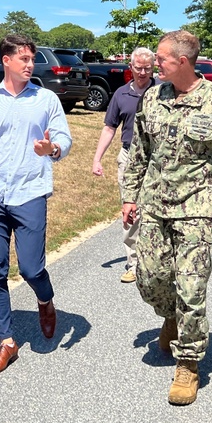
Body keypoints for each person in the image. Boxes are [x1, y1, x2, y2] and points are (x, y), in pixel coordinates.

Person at [122, 30, 212, 405]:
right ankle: (171, 317)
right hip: (155, 206)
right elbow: (140, 151)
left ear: (181, 61)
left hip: (200, 210)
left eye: (161, 59)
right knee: (149, 279)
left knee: (192, 289)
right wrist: (129, 196)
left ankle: (189, 363)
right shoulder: (153, 96)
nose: (155, 65)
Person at [0, 34, 72, 376]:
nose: (29, 64)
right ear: (5, 60)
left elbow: (64, 137)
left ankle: (45, 301)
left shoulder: (46, 99)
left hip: (30, 192)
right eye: (23, 59)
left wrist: (50, 150)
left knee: (32, 269)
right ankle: (6, 342)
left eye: (31, 59)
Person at [91, 47, 157, 283]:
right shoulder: (120, 94)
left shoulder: (162, 91)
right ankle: (134, 263)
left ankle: (157, 262)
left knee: (158, 210)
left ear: (153, 68)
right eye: (138, 67)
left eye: (147, 68)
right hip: (129, 157)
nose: (142, 72)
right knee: (130, 211)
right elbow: (110, 127)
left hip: (157, 159)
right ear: (131, 67)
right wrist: (97, 158)